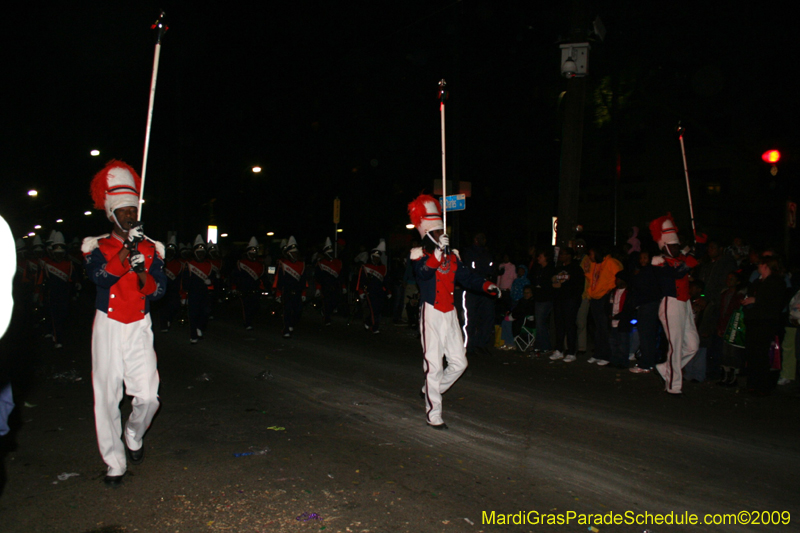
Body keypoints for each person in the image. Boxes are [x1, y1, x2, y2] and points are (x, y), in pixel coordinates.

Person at [82, 160, 166, 487]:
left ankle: (133, 434)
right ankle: (114, 462)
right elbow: (101, 278)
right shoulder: (97, 247)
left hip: (139, 325)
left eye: (133, 210)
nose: (130, 215)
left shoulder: (151, 248)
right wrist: (125, 252)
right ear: (111, 215)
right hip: (108, 325)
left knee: (149, 396)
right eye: (124, 211)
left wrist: (142, 268)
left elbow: (158, 292)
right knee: (106, 396)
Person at [408, 195, 497, 429]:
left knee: (459, 363)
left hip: (450, 313)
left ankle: (431, 389)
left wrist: (486, 285)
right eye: (437, 232)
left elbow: (467, 277)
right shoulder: (419, 255)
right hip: (431, 313)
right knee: (434, 366)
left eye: (442, 231)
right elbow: (423, 274)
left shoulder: (452, 256)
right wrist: (437, 253)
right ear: (428, 234)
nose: (441, 234)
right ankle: (434, 414)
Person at [649, 213, 699, 395]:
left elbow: (688, 259)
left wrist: (697, 246)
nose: (677, 248)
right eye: (673, 245)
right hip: (670, 304)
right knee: (675, 346)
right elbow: (676, 273)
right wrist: (689, 260)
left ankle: (665, 368)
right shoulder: (658, 261)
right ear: (665, 246)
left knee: (692, 345)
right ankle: (673, 385)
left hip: (684, 304)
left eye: (677, 245)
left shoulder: (679, 259)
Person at [742, 254, 788, 395]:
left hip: (765, 322)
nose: (758, 267)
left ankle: (762, 386)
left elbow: (774, 302)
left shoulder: (776, 282)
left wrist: (756, 300)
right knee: (752, 353)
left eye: (760, 264)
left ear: (766, 266)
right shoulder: (758, 281)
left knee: (761, 353)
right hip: (754, 321)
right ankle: (752, 384)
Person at [38, 231, 77, 349]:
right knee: (55, 317)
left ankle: (59, 335)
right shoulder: (47, 265)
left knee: (64, 317)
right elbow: (42, 282)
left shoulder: (69, 264)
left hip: (65, 296)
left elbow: (73, 281)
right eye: (57, 254)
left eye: (61, 253)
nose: (58, 256)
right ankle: (57, 338)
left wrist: (75, 292)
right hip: (52, 295)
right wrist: (40, 295)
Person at [585, 246, 623, 365]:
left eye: (591, 254)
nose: (590, 257)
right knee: (597, 327)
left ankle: (607, 355)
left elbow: (620, 278)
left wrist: (610, 291)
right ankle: (598, 353)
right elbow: (593, 279)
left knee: (605, 327)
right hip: (595, 297)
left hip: (605, 297)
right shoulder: (594, 264)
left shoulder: (611, 262)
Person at [461, 232, 496, 355]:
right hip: (472, 289)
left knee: (487, 317)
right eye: (480, 237)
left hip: (486, 289)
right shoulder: (469, 252)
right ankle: (468, 346)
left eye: (484, 237)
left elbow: (491, 269)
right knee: (470, 318)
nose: (483, 240)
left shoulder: (487, 253)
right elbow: (469, 271)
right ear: (475, 239)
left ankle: (481, 344)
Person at [550, 247, 584, 362]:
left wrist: (564, 288)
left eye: (563, 254)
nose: (560, 256)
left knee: (570, 325)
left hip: (570, 301)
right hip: (559, 301)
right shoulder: (558, 268)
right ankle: (559, 349)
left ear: (569, 255)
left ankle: (571, 351)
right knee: (559, 325)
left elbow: (578, 287)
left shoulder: (576, 269)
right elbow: (553, 283)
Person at [274, 236, 306, 338]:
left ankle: (291, 324)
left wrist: (304, 293)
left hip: (297, 291)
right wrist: (278, 293)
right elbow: (279, 279)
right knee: (287, 310)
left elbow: (303, 280)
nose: (295, 254)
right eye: (293, 253)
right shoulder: (283, 264)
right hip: (287, 291)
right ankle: (286, 329)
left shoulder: (301, 264)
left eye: (296, 253)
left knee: (298, 311)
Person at [183, 235, 212, 344]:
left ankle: (199, 328)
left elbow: (212, 279)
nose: (201, 254)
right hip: (193, 294)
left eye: (202, 252)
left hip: (204, 294)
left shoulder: (208, 264)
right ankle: (193, 335)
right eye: (198, 252)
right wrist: (184, 295)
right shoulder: (189, 264)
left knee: (205, 313)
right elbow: (185, 281)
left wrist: (210, 283)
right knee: (193, 315)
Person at [232, 237, 266, 330]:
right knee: (246, 307)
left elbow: (263, 278)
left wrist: (268, 288)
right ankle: (247, 323)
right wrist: (234, 287)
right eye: (251, 253)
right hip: (244, 289)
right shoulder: (241, 263)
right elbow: (235, 276)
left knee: (255, 307)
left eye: (254, 253)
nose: (253, 255)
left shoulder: (260, 265)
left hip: (255, 289)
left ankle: (250, 320)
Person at [357, 242, 390, 334]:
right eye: (374, 257)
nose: (376, 259)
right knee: (373, 309)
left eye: (378, 257)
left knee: (378, 309)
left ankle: (368, 322)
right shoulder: (365, 266)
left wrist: (388, 292)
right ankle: (374, 327)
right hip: (369, 292)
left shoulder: (383, 267)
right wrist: (361, 292)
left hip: (380, 292)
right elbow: (360, 280)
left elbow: (385, 281)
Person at [607, 270, 636, 368]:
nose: (616, 281)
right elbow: (607, 305)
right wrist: (609, 314)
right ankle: (614, 360)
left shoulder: (629, 293)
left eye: (618, 279)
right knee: (613, 342)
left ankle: (623, 362)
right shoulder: (613, 292)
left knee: (623, 343)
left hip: (623, 322)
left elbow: (629, 309)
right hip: (613, 321)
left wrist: (618, 316)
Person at [532, 250, 556, 355]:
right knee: (539, 323)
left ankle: (545, 346)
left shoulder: (550, 269)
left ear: (546, 258)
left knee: (540, 322)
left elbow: (549, 285)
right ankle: (539, 345)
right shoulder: (539, 269)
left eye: (540, 256)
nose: (538, 258)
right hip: (538, 298)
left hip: (545, 299)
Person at [315, 237, 344, 326]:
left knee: (334, 302)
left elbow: (340, 275)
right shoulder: (321, 263)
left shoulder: (337, 262)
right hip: (325, 286)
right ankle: (327, 318)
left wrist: (343, 286)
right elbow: (318, 277)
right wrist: (318, 288)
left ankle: (326, 312)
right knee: (327, 302)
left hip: (335, 286)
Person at [159, 235, 183, 332]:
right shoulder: (161, 262)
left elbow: (180, 279)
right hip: (163, 288)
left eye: (172, 251)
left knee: (174, 306)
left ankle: (169, 319)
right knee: (163, 308)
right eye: (168, 251)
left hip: (173, 290)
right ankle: (164, 324)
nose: (170, 253)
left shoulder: (179, 264)